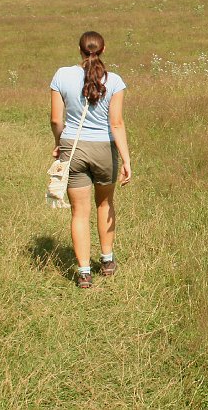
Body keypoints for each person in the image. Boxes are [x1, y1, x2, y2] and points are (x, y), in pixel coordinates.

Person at [50, 31, 132, 288]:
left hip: (73, 149)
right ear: (103, 49)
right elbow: (116, 123)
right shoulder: (115, 80)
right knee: (105, 203)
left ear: (79, 49)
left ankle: (84, 271)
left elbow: (55, 120)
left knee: (79, 212)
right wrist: (126, 160)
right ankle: (107, 260)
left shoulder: (61, 75)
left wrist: (58, 144)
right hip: (104, 151)